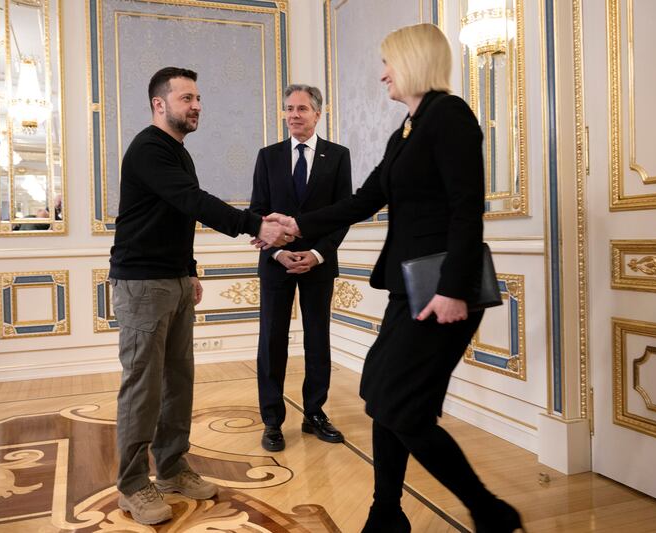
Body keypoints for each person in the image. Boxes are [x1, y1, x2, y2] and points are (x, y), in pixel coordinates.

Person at [258, 24, 523, 533]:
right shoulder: (408, 128)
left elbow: (467, 211)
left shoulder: (451, 118)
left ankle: (490, 511)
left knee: (404, 409)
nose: (382, 74)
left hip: (441, 289)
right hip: (409, 287)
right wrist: (297, 224)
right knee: (381, 397)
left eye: (388, 64)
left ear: (413, 62)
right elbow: (364, 199)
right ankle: (386, 514)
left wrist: (452, 289)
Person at [109, 66, 290, 526]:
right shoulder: (149, 148)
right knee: (142, 387)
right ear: (159, 104)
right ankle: (132, 484)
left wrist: (188, 271)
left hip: (172, 281)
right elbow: (194, 201)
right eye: (187, 98)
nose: (196, 106)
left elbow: (177, 216)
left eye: (198, 98)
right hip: (142, 284)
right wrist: (256, 223)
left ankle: (170, 468)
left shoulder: (177, 152)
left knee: (178, 381)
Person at [249, 84, 352, 452]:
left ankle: (315, 414)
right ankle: (272, 421)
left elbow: (343, 215)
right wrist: (277, 252)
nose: (294, 115)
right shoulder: (268, 156)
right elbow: (257, 211)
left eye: (302, 109)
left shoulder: (338, 156)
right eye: (289, 108)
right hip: (275, 263)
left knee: (317, 340)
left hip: (318, 264)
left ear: (318, 114)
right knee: (272, 342)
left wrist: (317, 254)